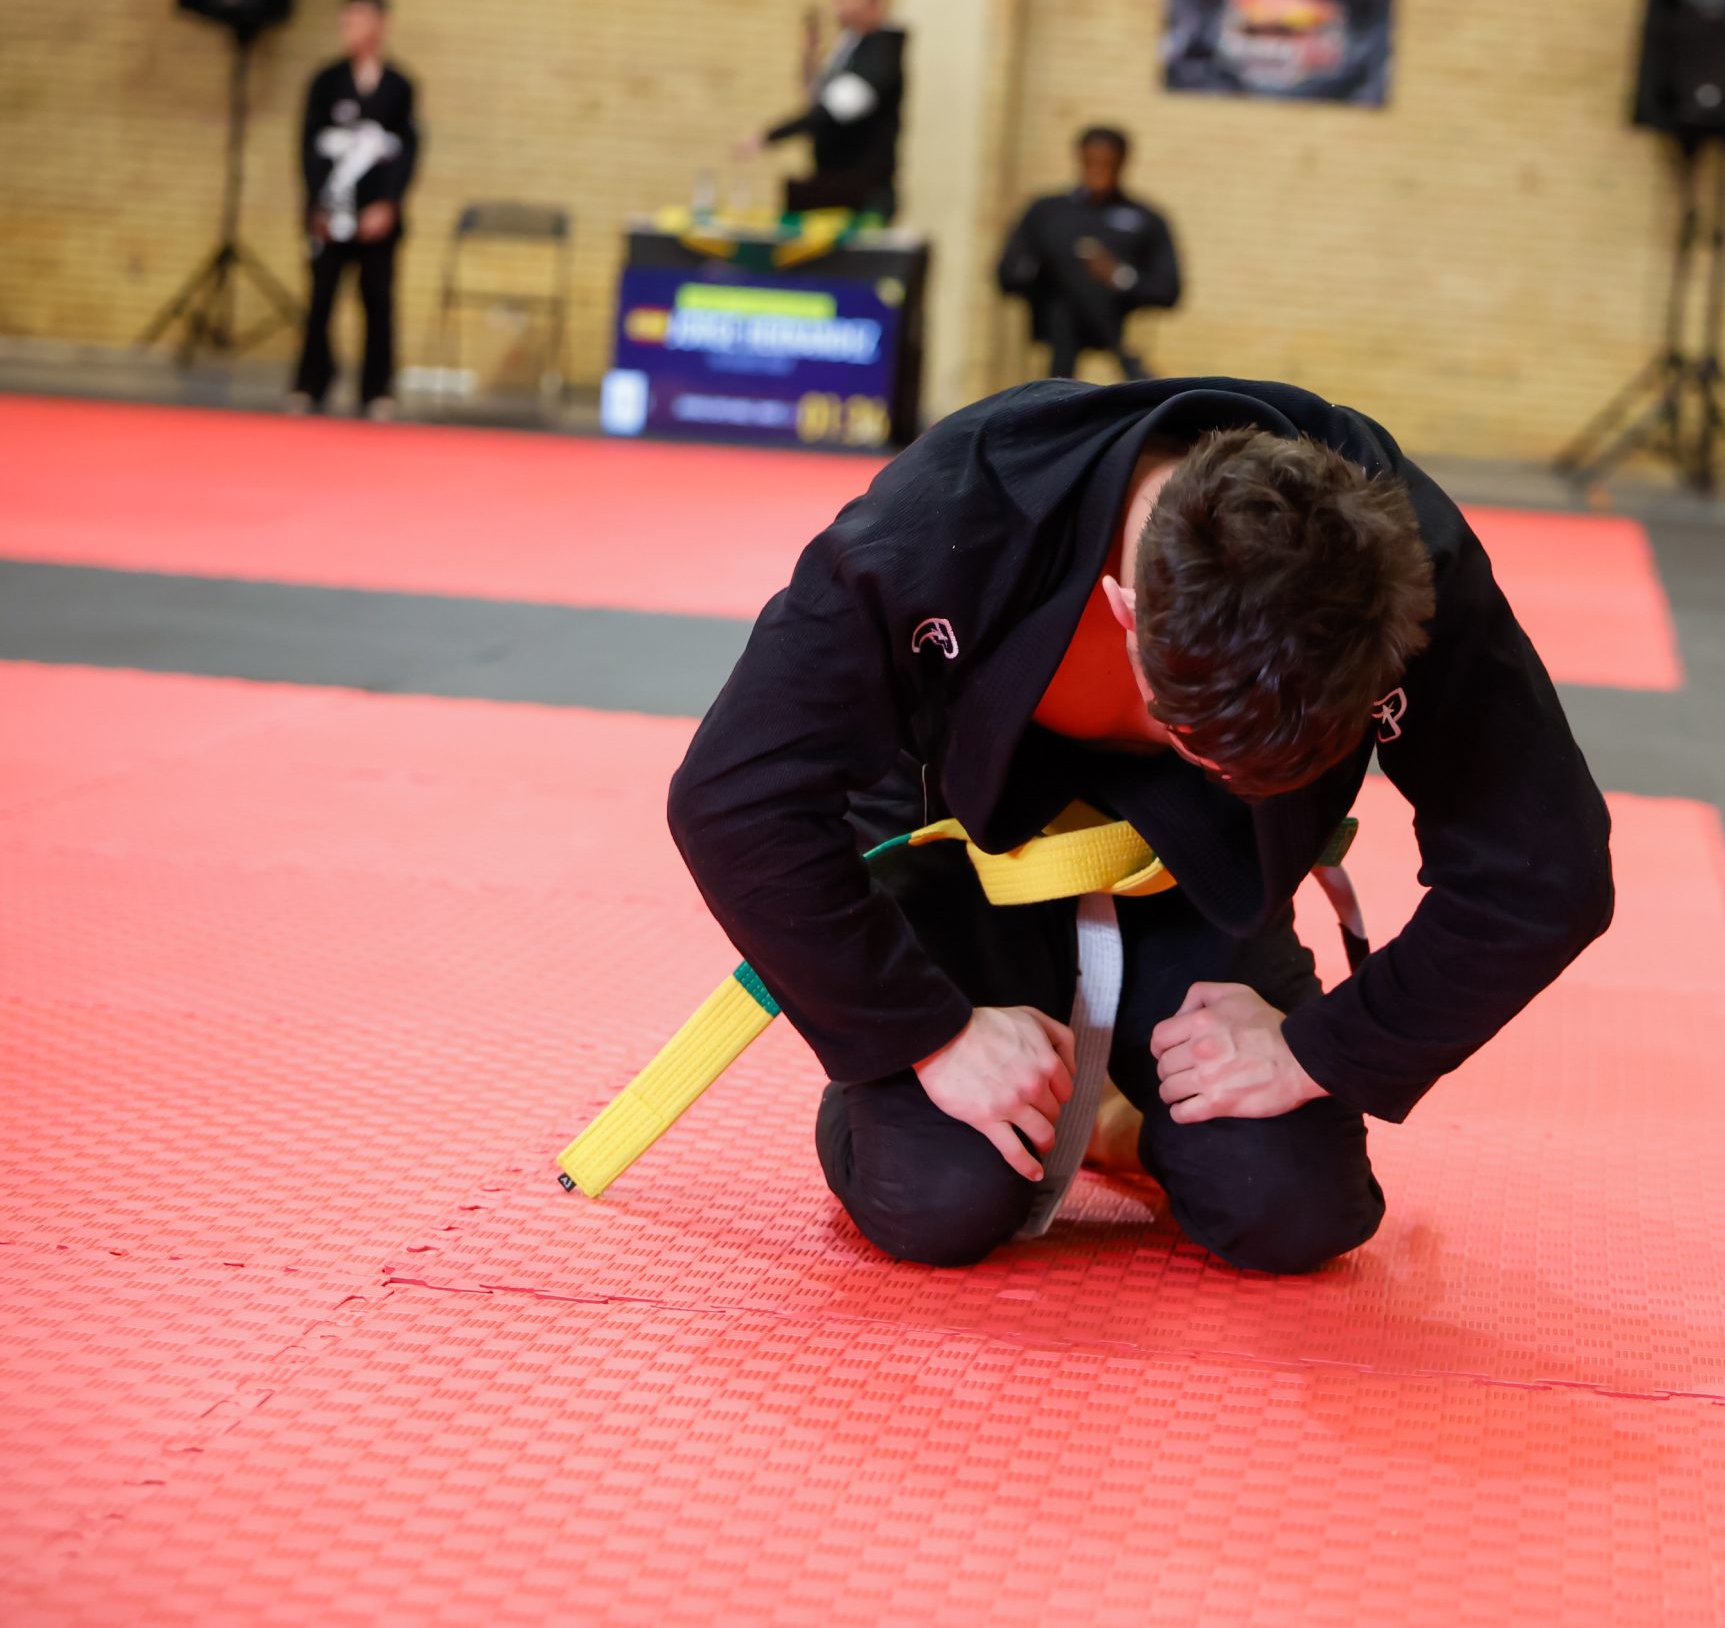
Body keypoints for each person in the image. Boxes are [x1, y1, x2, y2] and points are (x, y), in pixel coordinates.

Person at [667, 378, 1616, 1274]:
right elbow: (731, 794)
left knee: (1289, 1206)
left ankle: (1118, 1120)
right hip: (959, 854)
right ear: (1125, 608)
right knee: (941, 1194)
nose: (1219, 761)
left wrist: (1320, 1046)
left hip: (1205, 870)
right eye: (1199, 740)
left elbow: (1548, 870)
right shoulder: (958, 513)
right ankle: (944, 1090)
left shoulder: (1403, 569)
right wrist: (924, 1034)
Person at [289, 0, 419, 418]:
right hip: (332, 212)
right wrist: (317, 205)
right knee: (321, 299)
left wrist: (389, 204)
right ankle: (311, 382)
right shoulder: (326, 82)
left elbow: (408, 151)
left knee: (378, 300)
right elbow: (307, 146)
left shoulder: (399, 86)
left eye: (359, 19)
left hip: (375, 215)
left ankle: (377, 389)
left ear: (380, 24)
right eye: (345, 20)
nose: (350, 28)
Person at [998, 127, 1182, 380]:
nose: (1098, 171)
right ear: (1079, 158)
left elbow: (1168, 291)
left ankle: (1057, 387)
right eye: (1091, 162)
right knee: (1064, 295)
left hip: (1116, 314)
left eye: (1108, 164)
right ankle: (1123, 357)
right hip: (1052, 316)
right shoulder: (1047, 212)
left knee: (1069, 293)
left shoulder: (1145, 219)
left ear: (1122, 162)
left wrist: (1118, 276)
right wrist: (1044, 267)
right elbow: (1007, 275)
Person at [742, 0, 903, 219]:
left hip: (862, 192)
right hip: (833, 183)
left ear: (872, 1)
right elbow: (816, 100)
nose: (837, 2)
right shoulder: (849, 45)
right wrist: (810, 57)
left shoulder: (881, 53)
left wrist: (772, 135)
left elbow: (833, 110)